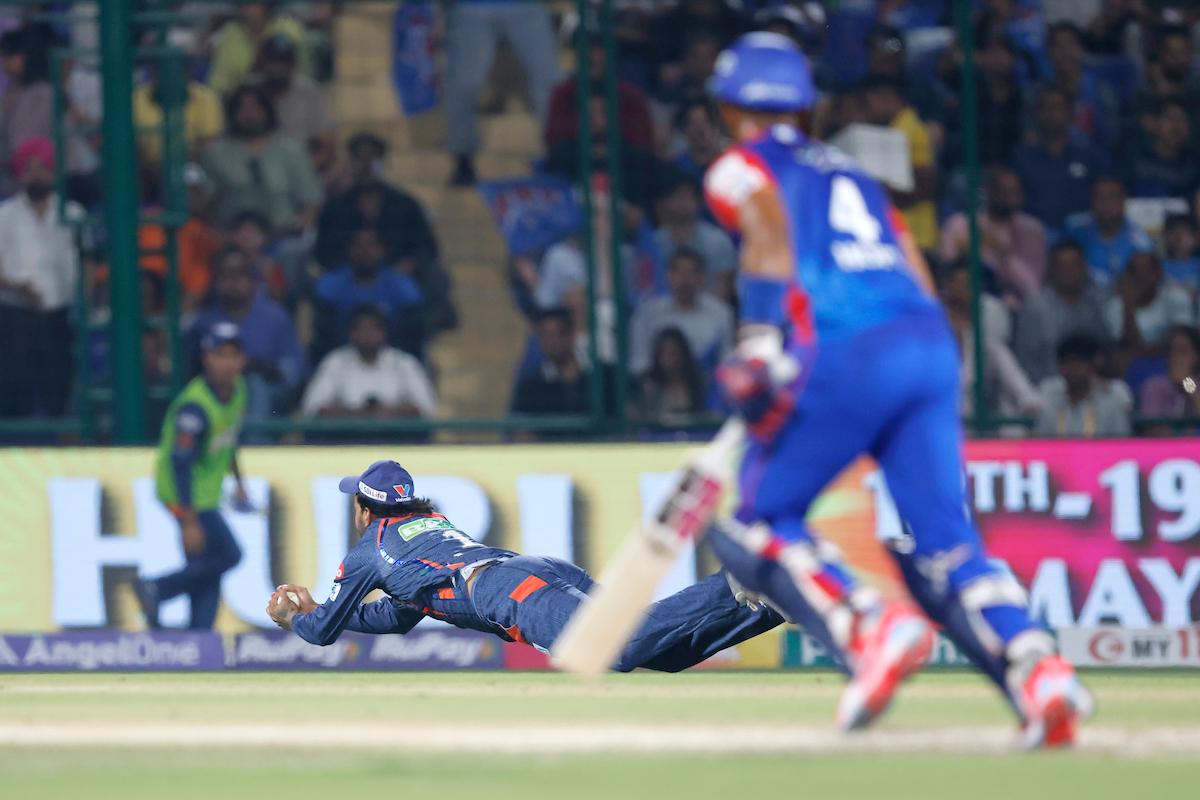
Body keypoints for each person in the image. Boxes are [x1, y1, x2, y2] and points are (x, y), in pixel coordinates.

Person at [701, 33, 1090, 745]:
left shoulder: (737, 165)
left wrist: (759, 350)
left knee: (756, 521)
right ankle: (1040, 672)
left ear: (729, 108)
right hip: (927, 345)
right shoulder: (853, 175)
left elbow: (763, 232)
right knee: (946, 540)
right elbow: (909, 264)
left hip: (845, 349)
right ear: (806, 107)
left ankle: (868, 623)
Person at [265, 459, 783, 672]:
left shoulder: (370, 546)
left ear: (364, 508)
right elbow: (398, 615)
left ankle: (735, 582)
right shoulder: (429, 523)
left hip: (510, 589)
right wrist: (325, 612)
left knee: (617, 647)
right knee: (659, 654)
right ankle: (776, 604)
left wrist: (298, 615)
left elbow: (321, 633)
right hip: (531, 571)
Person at [135, 322, 249, 630]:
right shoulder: (195, 407)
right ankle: (158, 588)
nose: (225, 363)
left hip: (206, 492)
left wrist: (238, 482)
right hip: (181, 492)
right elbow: (180, 463)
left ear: (242, 360)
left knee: (204, 567)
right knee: (229, 554)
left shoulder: (238, 391)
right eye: (218, 355)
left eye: (232, 355)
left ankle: (199, 639)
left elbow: (229, 439)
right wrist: (188, 520)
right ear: (206, 358)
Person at [0, 138, 81, 418]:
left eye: (42, 168)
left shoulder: (72, 213)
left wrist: (84, 296)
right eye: (30, 168)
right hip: (14, 315)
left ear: (53, 172)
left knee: (58, 386)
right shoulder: (5, 216)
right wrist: (17, 287)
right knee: (12, 389)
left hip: (59, 315)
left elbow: (89, 260)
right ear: (20, 173)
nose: (36, 174)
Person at [444, 0, 560, 186]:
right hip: (471, 9)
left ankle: (560, 154)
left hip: (527, 7)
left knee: (549, 84)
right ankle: (463, 158)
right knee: (464, 85)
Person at [188, 247, 306, 425]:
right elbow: (190, 370)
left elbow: (293, 373)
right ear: (215, 281)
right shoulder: (202, 322)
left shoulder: (276, 317)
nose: (233, 282)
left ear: (252, 280)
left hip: (268, 395)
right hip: (217, 394)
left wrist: (260, 367)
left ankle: (256, 446)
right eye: (226, 276)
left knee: (255, 384)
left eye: (239, 275)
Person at [201, 83, 322, 232]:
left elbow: (312, 200)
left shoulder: (291, 152)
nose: (249, 115)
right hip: (231, 240)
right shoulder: (215, 153)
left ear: (267, 111)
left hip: (284, 237)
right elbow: (204, 202)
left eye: (255, 108)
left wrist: (299, 228)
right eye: (242, 109)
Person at [300, 304, 437, 421]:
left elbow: (425, 408)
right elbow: (312, 408)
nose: (367, 335)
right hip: (345, 442)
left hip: (396, 442)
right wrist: (357, 414)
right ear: (351, 333)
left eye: (373, 329)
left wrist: (387, 412)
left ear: (384, 333)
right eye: (361, 329)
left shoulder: (404, 363)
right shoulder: (335, 362)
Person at [311, 226, 425, 361]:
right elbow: (324, 337)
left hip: (393, 358)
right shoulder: (331, 286)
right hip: (342, 359)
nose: (365, 251)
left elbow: (411, 335)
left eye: (372, 245)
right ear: (349, 249)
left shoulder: (402, 286)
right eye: (358, 245)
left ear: (383, 249)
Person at [938, 166, 1047, 305]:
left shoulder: (1032, 230)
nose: (1011, 198)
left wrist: (1002, 253)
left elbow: (1033, 288)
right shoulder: (960, 225)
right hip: (965, 304)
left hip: (1014, 306)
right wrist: (962, 255)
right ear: (988, 192)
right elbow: (946, 273)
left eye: (1015, 192)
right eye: (1004, 191)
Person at [1011, 86, 1108, 233]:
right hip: (1034, 236)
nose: (1052, 114)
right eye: (1045, 108)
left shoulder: (1091, 156)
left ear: (1070, 113)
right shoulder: (1021, 157)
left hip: (1082, 238)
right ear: (1036, 114)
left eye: (1058, 108)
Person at [1014, 240, 1112, 384]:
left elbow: (1107, 350)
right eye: (1063, 266)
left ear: (1084, 268)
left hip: (1093, 392)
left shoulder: (1097, 304)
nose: (1069, 272)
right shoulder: (1034, 308)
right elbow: (1026, 361)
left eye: (1074, 265)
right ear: (1051, 270)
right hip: (1047, 391)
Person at [860, 75, 939, 253]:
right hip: (905, 230)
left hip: (917, 232)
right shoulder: (897, 128)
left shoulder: (909, 129)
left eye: (869, 103)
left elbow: (927, 181)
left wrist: (883, 190)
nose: (869, 110)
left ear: (886, 98)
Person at [629, 247, 733, 378]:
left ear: (702, 277)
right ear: (669, 276)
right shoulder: (648, 313)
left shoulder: (721, 313)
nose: (684, 280)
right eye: (679, 273)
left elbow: (726, 361)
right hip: (658, 390)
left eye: (691, 273)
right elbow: (639, 362)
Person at [252, 34, 334, 179]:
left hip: (301, 170)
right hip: (257, 173)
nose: (278, 68)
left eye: (284, 61)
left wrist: (304, 171)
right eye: (273, 61)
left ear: (293, 63)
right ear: (263, 62)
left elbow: (326, 143)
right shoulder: (251, 91)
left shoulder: (310, 91)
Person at [653, 173, 737, 302]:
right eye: (675, 196)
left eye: (686, 196)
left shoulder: (717, 241)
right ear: (665, 202)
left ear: (699, 202)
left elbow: (724, 288)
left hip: (709, 315)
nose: (681, 202)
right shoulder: (654, 242)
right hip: (662, 314)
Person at [1034, 333, 1132, 437]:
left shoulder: (1111, 401)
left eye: (1077, 363)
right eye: (1066, 363)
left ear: (1094, 363)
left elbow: (1120, 444)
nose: (1071, 369)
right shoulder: (1050, 397)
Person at [1065, 176, 1153, 289]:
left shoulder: (1141, 243)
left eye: (1112, 197)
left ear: (1123, 202)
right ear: (1091, 201)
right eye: (1100, 198)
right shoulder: (1074, 231)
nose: (1105, 204)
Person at [208, 2, 311, 96]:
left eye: (254, 4)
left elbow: (304, 73)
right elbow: (219, 79)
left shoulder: (288, 29)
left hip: (288, 96)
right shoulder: (231, 32)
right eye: (244, 5)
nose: (248, 10)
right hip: (243, 99)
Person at [510, 308, 591, 423]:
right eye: (546, 335)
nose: (553, 341)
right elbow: (523, 433)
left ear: (572, 335)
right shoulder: (531, 387)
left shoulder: (604, 378)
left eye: (559, 333)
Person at [0, 29, 52, 192]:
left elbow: (22, 148)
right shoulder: (13, 92)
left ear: (23, 57)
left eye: (8, 56)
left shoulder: (42, 93)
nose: (3, 62)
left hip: (39, 186)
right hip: (13, 184)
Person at [636, 327, 709, 425]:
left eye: (673, 352)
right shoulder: (648, 386)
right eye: (663, 352)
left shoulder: (701, 382)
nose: (668, 358)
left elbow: (709, 416)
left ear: (683, 353)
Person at [1138, 326, 1200, 434]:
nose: (1176, 357)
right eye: (1172, 351)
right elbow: (1153, 431)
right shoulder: (1154, 387)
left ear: (1195, 356)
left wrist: (1189, 385)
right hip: (1165, 449)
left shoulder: (1196, 388)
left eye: (1182, 351)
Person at [1161, 213, 1200, 292]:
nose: (1179, 238)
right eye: (1174, 233)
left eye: (1185, 234)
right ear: (1165, 236)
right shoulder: (1157, 268)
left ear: (1196, 238)